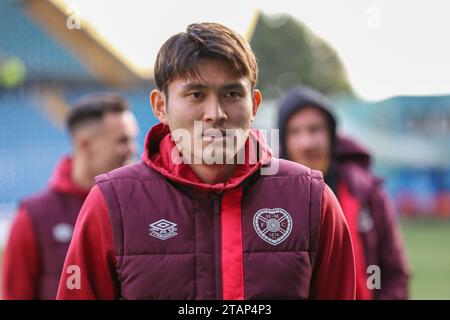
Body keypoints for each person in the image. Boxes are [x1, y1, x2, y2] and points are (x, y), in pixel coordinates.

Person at [57, 23, 356, 300]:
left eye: (231, 93)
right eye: (196, 94)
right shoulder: (112, 203)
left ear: (253, 105)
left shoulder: (312, 198)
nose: (215, 113)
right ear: (161, 106)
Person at [278, 85, 410, 299]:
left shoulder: (367, 192)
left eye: (314, 129)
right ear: (284, 140)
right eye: (295, 131)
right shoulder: (269, 197)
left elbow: (394, 273)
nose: (307, 142)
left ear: (331, 134)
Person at [2, 93, 138, 299]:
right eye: (122, 140)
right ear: (85, 145)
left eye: (132, 139)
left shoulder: (140, 206)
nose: (132, 149)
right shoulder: (33, 216)